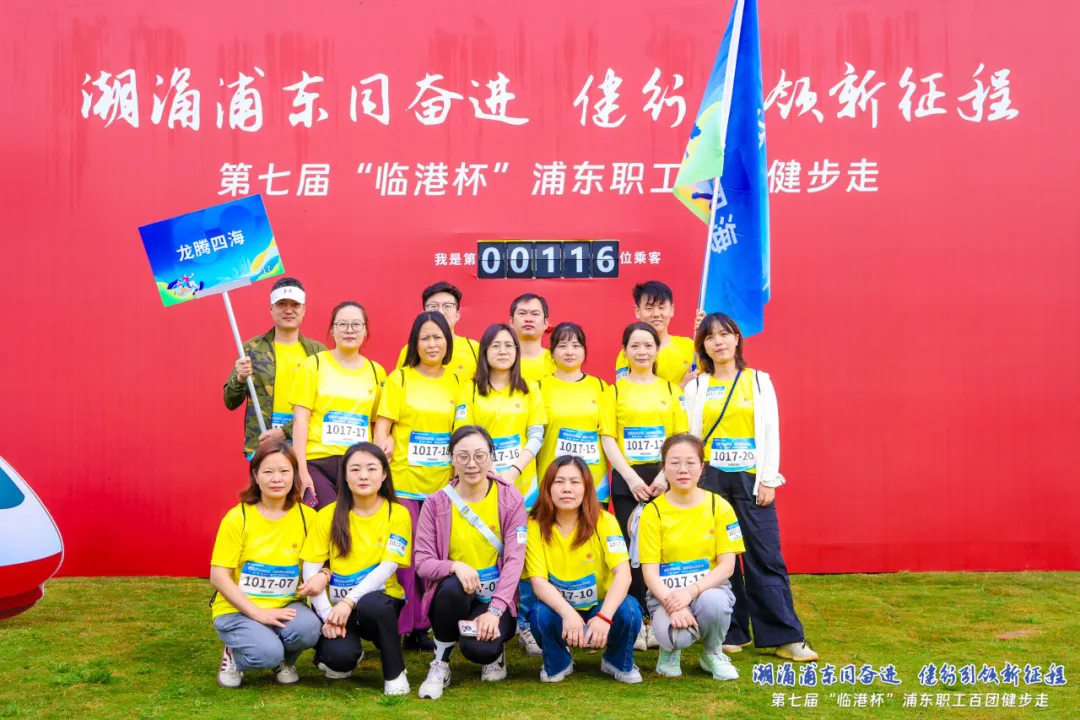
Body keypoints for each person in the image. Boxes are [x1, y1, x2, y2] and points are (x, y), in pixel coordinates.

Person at [685, 312, 817, 662]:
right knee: (719, 557)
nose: (719, 342)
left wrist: (768, 479)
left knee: (765, 557)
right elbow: (690, 437)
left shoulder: (758, 381)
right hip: (711, 481)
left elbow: (771, 432)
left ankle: (785, 636)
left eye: (725, 334)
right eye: (710, 337)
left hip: (750, 480)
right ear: (703, 346)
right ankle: (731, 630)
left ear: (737, 339)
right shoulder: (696, 387)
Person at [413, 426, 527, 700]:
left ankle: (495, 653)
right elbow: (422, 562)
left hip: (494, 598)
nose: (471, 464)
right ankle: (440, 664)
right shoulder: (436, 503)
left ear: (491, 456)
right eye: (463, 456)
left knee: (481, 650)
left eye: (479, 455)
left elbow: (515, 560)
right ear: (452, 459)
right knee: (452, 588)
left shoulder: (510, 498)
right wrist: (455, 567)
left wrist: (495, 611)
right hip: (454, 596)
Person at [374, 311, 464, 651]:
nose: (432, 344)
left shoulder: (457, 383)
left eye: (438, 337)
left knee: (436, 556)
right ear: (414, 343)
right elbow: (382, 427)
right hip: (404, 482)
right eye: (424, 337)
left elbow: (461, 432)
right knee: (406, 558)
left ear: (448, 342)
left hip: (442, 486)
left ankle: (428, 625)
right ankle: (404, 625)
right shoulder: (399, 379)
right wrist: (382, 453)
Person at [457, 323, 547, 656]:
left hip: (523, 486)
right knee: (490, 550)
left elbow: (536, 436)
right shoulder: (469, 390)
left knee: (523, 555)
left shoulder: (530, 389)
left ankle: (525, 624)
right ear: (484, 352)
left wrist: (512, 471)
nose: (503, 351)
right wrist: (487, 471)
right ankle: (492, 618)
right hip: (480, 484)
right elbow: (464, 434)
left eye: (509, 345)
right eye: (495, 345)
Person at [296, 442, 411, 695]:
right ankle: (341, 651)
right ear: (345, 476)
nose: (363, 476)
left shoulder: (398, 513)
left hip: (379, 602)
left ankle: (395, 672)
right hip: (336, 608)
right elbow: (311, 568)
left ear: (384, 475)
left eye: (371, 468)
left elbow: (388, 566)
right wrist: (328, 615)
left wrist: (349, 601)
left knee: (373, 604)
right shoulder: (327, 515)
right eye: (355, 469)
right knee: (338, 660)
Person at [600, 321, 688, 650]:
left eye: (648, 345)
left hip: (666, 481)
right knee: (632, 552)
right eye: (634, 346)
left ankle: (665, 614)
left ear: (657, 350)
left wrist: (665, 477)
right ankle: (638, 620)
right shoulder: (613, 392)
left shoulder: (672, 391)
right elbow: (608, 439)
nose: (641, 352)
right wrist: (632, 478)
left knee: (664, 549)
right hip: (629, 483)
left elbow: (680, 439)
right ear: (624, 352)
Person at [210, 440, 321, 688]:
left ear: (295, 475)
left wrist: (323, 574)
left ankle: (284, 660)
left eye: (284, 471)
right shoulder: (237, 518)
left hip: (286, 605)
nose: (276, 479)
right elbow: (218, 576)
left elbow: (326, 563)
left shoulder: (309, 518)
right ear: (255, 475)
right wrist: (257, 613)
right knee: (265, 654)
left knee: (310, 630)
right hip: (238, 609)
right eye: (268, 471)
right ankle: (236, 655)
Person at [525, 456, 642, 683]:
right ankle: (558, 662)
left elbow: (623, 573)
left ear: (587, 487)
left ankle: (617, 662)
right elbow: (538, 582)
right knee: (539, 615)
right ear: (547, 488)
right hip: (560, 610)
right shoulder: (533, 525)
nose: (567, 489)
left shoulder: (605, 521)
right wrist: (568, 614)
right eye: (559, 482)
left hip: (600, 607)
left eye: (575, 482)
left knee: (629, 610)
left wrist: (604, 617)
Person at [638, 434, 744, 680]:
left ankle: (712, 652)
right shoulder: (652, 512)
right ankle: (669, 650)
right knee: (676, 635)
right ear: (664, 468)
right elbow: (649, 573)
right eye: (674, 463)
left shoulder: (720, 507)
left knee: (714, 604)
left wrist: (691, 592)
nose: (683, 469)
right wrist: (673, 604)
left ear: (702, 467)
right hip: (666, 594)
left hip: (709, 590)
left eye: (690, 462)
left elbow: (727, 567)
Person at [290, 302, 387, 509]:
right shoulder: (313, 365)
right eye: (342, 324)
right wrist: (301, 470)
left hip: (358, 466)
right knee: (328, 517)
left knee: (354, 521)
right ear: (332, 330)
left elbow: (378, 424)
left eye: (356, 324)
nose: (349, 330)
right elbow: (300, 420)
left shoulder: (376, 371)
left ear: (365, 331)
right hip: (317, 462)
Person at [224, 277, 325, 459]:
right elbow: (230, 402)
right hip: (264, 444)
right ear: (271, 308)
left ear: (303, 310)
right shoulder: (251, 349)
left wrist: (286, 432)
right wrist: (239, 379)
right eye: (281, 304)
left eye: (295, 304)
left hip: (309, 443)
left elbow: (325, 402)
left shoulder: (318, 353)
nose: (289, 310)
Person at [536, 322, 612, 503]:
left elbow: (608, 436)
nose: (569, 352)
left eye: (576, 346)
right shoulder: (538, 388)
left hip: (593, 480)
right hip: (553, 479)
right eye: (562, 346)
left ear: (584, 351)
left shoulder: (600, 387)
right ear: (551, 352)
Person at [614, 281, 703, 388]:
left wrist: (706, 332)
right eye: (649, 308)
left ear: (671, 310)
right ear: (637, 311)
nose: (656, 314)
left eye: (661, 307)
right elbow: (624, 392)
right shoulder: (629, 353)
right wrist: (682, 386)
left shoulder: (690, 346)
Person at [394, 281, 481, 378]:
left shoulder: (474, 349)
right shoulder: (410, 350)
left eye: (447, 306)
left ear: (457, 315)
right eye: (433, 306)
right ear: (424, 314)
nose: (440, 312)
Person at [509, 293, 556, 383]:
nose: (528, 319)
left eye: (535, 314)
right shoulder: (501, 359)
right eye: (522, 313)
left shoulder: (557, 360)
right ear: (511, 322)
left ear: (546, 323)